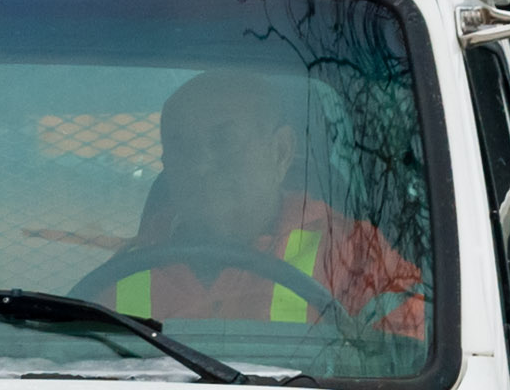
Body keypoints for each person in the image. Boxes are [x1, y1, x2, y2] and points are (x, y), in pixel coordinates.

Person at [100, 70, 428, 342]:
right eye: (180, 147)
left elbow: (405, 376)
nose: (199, 166)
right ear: (165, 163)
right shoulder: (124, 274)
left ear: (281, 152)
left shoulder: (357, 260)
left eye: (223, 141)